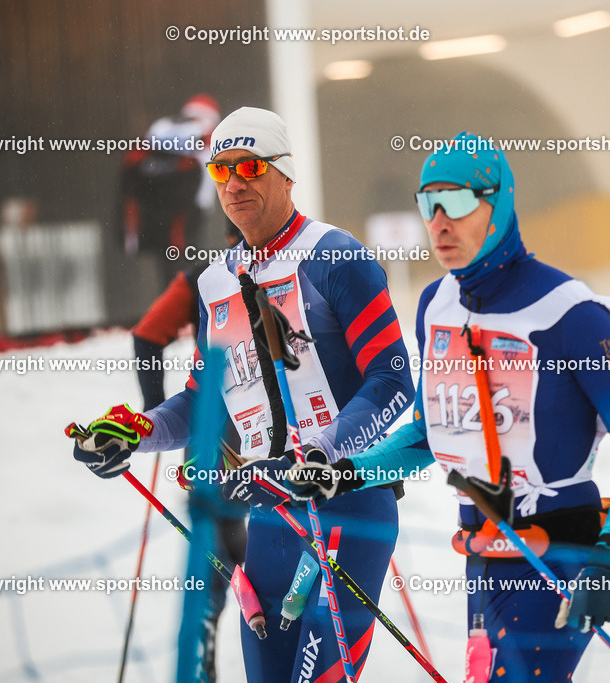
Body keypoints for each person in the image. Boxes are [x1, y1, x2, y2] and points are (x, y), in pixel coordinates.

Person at [288, 132, 610, 682]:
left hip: (558, 554)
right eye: (427, 202)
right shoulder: (435, 304)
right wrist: (346, 475)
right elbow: (427, 433)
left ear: (498, 204)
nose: (439, 221)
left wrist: (609, 556)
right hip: (481, 552)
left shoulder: (572, 314)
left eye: (458, 202)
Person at [73, 107, 414, 682]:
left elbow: (392, 381)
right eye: (221, 170)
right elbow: (207, 403)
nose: (234, 182)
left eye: (250, 167)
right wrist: (134, 431)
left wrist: (322, 453)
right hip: (271, 520)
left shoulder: (336, 257)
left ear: (284, 173)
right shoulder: (216, 283)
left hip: (347, 507)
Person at [131, 222, 248, 683]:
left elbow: (146, 334)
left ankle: (207, 642)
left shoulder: (201, 277)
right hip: (265, 437)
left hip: (209, 431)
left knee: (216, 544)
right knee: (256, 541)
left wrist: (152, 404)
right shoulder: (288, 271)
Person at [117, 94, 221, 291]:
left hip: (154, 208)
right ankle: (189, 310)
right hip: (188, 208)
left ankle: (173, 306)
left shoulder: (162, 126)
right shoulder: (206, 132)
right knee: (186, 262)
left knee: (169, 263)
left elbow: (135, 162)